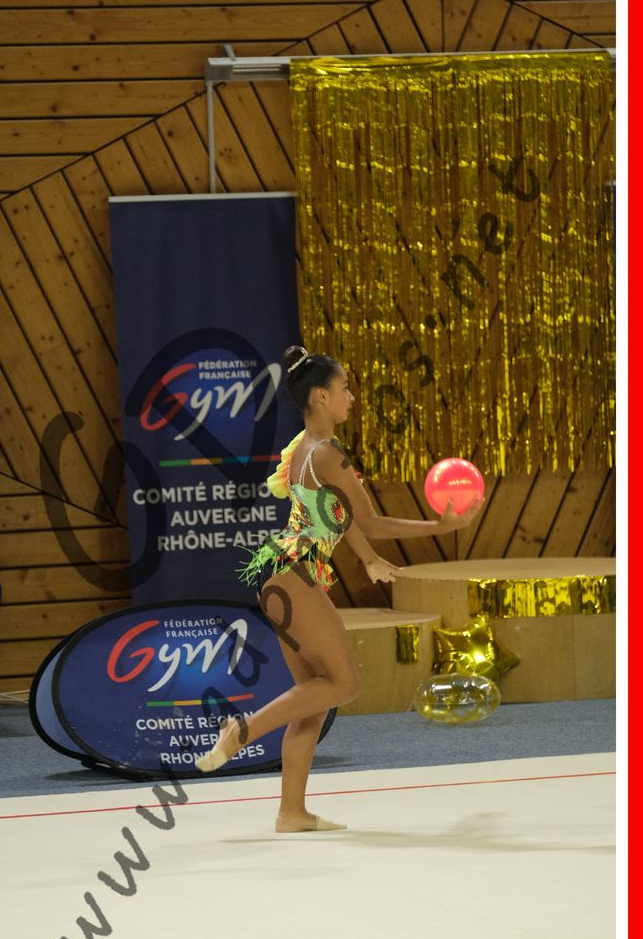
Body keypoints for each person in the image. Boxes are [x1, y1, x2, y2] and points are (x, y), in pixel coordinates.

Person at [194, 345, 483, 834]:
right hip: (297, 577)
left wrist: (367, 559)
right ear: (321, 396)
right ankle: (241, 730)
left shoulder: (306, 448)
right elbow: (369, 520)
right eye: (345, 388)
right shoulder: (329, 454)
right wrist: (440, 526)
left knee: (313, 697)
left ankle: (292, 812)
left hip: (279, 574)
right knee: (344, 684)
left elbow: (338, 515)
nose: (352, 397)